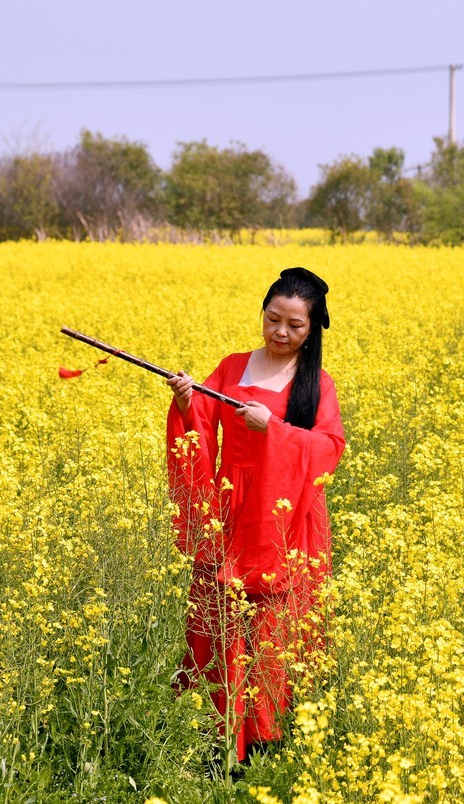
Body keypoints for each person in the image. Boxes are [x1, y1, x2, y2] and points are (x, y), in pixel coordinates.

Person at [165, 267, 346, 764]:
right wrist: (185, 400)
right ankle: (214, 737)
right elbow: (201, 423)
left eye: (295, 325)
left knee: (270, 627)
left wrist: (275, 430)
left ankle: (265, 740)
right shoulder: (232, 366)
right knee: (219, 620)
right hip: (230, 509)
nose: (280, 332)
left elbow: (330, 448)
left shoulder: (318, 384)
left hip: (285, 516)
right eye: (272, 319)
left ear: (312, 329)